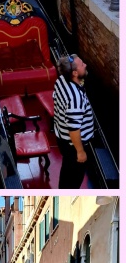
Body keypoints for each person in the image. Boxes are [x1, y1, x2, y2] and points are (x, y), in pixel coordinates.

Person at [53, 54, 95, 188]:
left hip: (61, 136)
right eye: (82, 65)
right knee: (72, 180)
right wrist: (80, 152)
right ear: (75, 73)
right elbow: (74, 130)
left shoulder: (60, 81)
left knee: (66, 171)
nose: (86, 65)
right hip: (73, 146)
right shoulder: (75, 100)